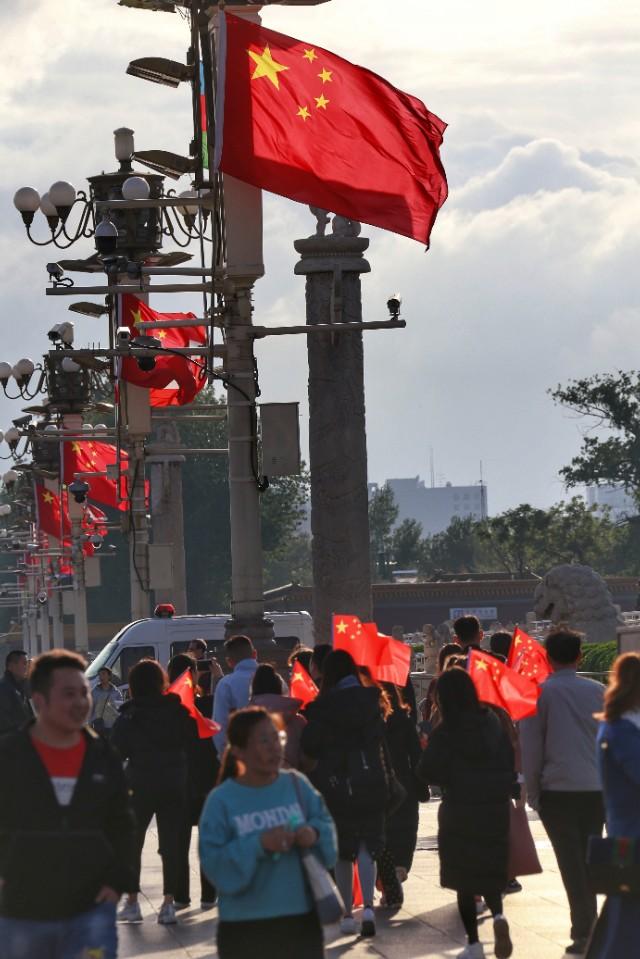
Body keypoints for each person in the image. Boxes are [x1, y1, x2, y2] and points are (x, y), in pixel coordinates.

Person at [0, 649, 135, 959]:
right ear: (39, 700)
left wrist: (117, 881)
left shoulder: (102, 756)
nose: (80, 702)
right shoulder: (10, 756)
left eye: (83, 693)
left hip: (90, 911)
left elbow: (123, 823)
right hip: (21, 911)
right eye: (68, 694)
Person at [199, 707, 337, 959]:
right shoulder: (221, 800)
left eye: (278, 738)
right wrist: (259, 843)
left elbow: (327, 834)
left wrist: (313, 833)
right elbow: (213, 863)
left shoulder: (297, 785)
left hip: (299, 922)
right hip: (244, 928)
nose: (275, 747)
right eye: (264, 740)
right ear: (239, 751)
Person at [417, 667, 516, 959]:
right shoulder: (492, 723)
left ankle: (473, 943)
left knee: (464, 876)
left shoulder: (445, 732)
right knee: (490, 868)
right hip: (494, 807)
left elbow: (426, 771)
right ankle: (498, 917)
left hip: (459, 808)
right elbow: (508, 759)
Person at [520, 627, 605, 955]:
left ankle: (584, 929)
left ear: (547, 657)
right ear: (580, 656)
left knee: (570, 863)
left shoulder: (539, 693)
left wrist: (533, 790)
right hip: (596, 788)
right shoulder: (598, 691)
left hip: (558, 789)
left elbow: (531, 746)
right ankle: (593, 925)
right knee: (589, 860)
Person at [301, 649, 390, 938]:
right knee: (367, 846)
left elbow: (310, 744)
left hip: (336, 780)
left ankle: (347, 913)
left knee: (343, 849)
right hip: (370, 776)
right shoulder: (372, 699)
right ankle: (367, 907)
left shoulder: (324, 705)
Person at [111, 658, 198, 926]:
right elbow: (193, 740)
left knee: (133, 842)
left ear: (134, 685)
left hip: (140, 782)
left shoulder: (129, 715)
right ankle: (169, 904)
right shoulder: (178, 710)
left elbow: (117, 751)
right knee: (171, 843)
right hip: (174, 781)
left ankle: (133, 903)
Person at [586, 652, 640, 958]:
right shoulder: (623, 731)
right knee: (628, 920)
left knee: (624, 915)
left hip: (626, 832)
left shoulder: (618, 727)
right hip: (633, 836)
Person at [167, 653, 220, 911]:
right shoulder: (207, 705)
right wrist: (219, 679)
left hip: (178, 781)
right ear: (194, 675)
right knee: (207, 840)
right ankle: (209, 896)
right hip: (206, 778)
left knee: (178, 842)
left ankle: (180, 896)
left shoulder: (166, 709)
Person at [379, 682, 429, 901]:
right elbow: (416, 754)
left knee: (383, 834)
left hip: (380, 782)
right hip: (404, 782)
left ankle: (386, 880)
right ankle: (400, 868)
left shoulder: (372, 721)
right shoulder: (404, 720)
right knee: (406, 831)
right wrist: (421, 782)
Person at [249, 663, 307, 769]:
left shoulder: (245, 720)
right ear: (279, 686)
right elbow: (306, 759)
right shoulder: (298, 721)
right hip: (291, 779)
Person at [212, 635, 258, 752]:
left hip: (241, 754)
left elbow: (219, 726)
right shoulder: (274, 678)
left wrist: (225, 758)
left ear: (229, 662)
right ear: (255, 654)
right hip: (274, 757)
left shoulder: (226, 684)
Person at [0, 649, 33, 735]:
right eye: (24, 663)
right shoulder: (4, 688)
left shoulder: (20, 687)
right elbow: (4, 721)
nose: (27, 667)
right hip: (11, 743)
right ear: (11, 666)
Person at [187, 637, 223, 704]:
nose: (189, 651)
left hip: (207, 700)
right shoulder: (189, 665)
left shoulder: (211, 666)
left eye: (191, 649)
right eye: (188, 649)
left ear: (200, 650)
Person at [89, 666, 123, 737]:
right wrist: (89, 723)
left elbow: (120, 710)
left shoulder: (116, 692)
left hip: (111, 726)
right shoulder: (94, 692)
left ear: (109, 676)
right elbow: (90, 709)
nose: (101, 677)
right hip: (98, 725)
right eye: (100, 675)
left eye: (103, 674)